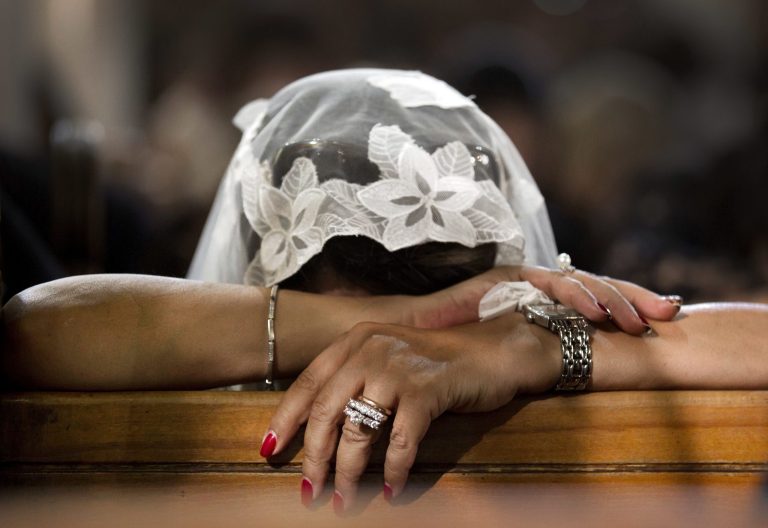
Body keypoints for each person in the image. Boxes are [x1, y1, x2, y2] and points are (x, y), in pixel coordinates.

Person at [2, 70, 766, 514]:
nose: (384, 369)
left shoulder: (518, 350)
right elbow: (31, 329)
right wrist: (407, 320)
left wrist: (533, 341)